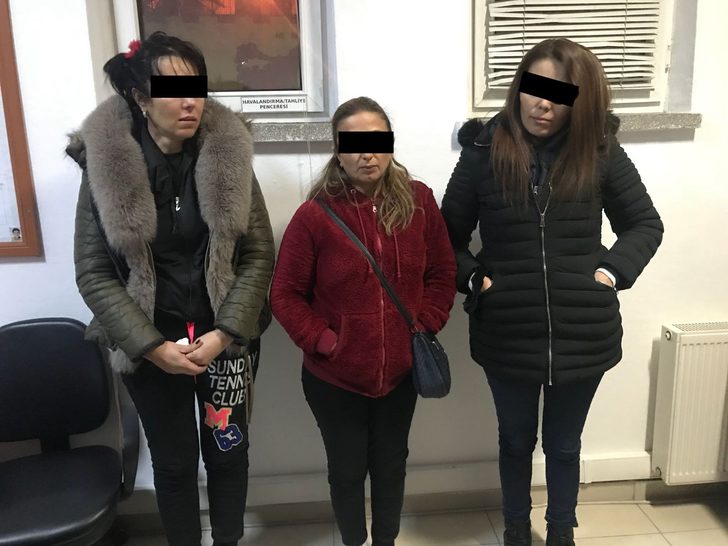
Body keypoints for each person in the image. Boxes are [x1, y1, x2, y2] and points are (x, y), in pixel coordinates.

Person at [442, 39, 663, 546]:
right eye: (534, 88)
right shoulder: (482, 153)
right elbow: (444, 239)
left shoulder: (600, 153)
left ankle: (561, 531)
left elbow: (644, 224)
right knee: (516, 441)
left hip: (583, 330)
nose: (543, 103)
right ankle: (516, 530)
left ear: (580, 100)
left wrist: (610, 272)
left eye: (560, 94)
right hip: (507, 329)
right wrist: (474, 279)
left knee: (564, 446)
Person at [67, 32, 274, 546]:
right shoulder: (106, 166)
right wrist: (152, 347)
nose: (189, 102)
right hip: (150, 344)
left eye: (196, 88)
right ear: (141, 98)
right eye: (173, 90)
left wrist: (224, 334)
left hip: (224, 339)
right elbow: (94, 271)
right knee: (175, 463)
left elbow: (257, 255)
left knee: (228, 453)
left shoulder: (227, 153)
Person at [270, 97, 456, 546]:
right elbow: (284, 294)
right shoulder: (315, 215)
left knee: (391, 466)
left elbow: (442, 272)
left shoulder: (419, 201)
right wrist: (326, 342)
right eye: (353, 143)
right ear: (338, 150)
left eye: (375, 140)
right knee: (347, 470)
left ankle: (386, 541)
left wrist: (425, 324)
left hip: (400, 374)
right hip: (335, 378)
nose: (366, 153)